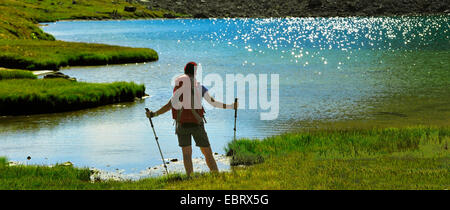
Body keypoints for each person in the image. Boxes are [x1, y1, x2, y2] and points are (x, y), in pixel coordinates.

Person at [146, 62, 238, 177]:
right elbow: (213, 103)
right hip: (197, 124)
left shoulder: (178, 87)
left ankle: (190, 178)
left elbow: (169, 105)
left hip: (182, 124)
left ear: (185, 72)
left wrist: (154, 114)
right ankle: (216, 176)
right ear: (195, 72)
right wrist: (231, 106)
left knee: (186, 154)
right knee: (207, 153)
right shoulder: (200, 87)